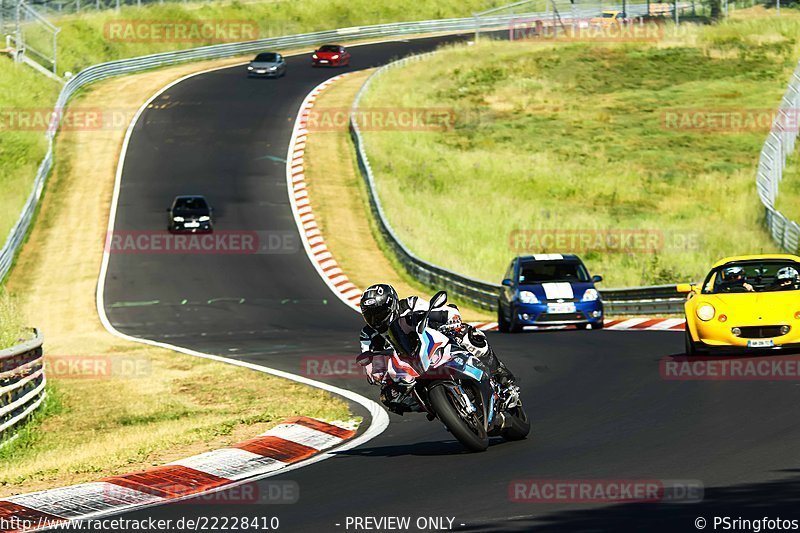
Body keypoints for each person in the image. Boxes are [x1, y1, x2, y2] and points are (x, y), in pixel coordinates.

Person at [356, 284, 515, 412]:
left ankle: (499, 372)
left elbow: (440, 310)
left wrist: (450, 318)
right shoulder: (368, 334)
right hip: (407, 369)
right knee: (389, 398)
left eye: (378, 313)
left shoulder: (410, 304)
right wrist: (376, 374)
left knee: (469, 335)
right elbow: (370, 360)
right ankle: (439, 407)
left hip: (435, 344)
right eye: (369, 315)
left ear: (391, 305)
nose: (374, 319)